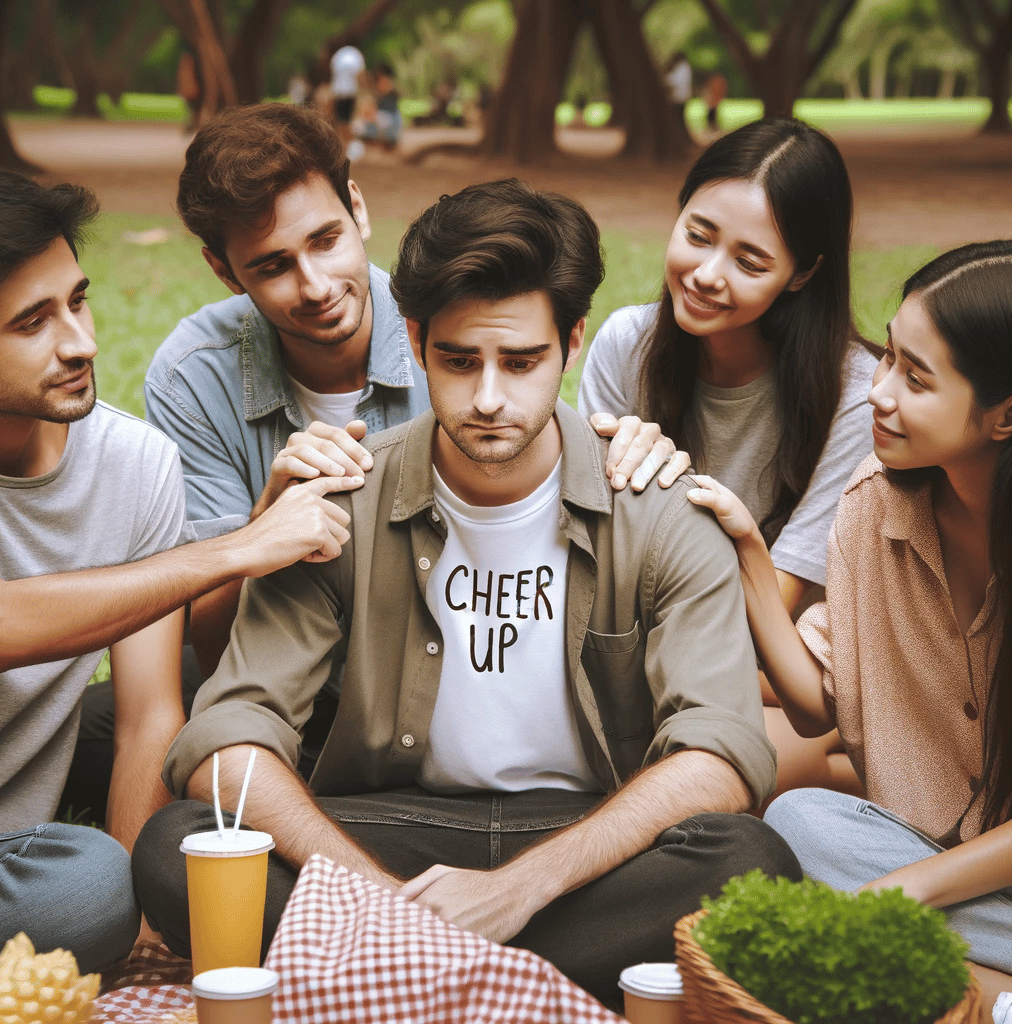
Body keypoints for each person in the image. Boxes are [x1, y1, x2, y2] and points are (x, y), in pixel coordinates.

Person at [134, 178, 800, 1003]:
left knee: (747, 860)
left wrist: (520, 889)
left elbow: (723, 755)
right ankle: (493, 973)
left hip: (585, 837)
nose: (489, 398)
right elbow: (230, 734)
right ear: (414, 341)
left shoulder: (661, 508)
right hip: (388, 833)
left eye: (521, 362)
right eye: (458, 360)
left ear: (575, 341)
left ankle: (389, 971)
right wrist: (369, 893)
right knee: (181, 844)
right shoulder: (340, 500)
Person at [145, 103, 680, 683]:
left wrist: (623, 455)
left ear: (357, 208)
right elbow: (212, 648)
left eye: (325, 241)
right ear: (225, 272)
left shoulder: (455, 318)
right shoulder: (191, 376)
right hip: (285, 680)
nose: (317, 286)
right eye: (274, 266)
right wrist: (259, 536)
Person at [0, 170, 349, 971]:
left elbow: (153, 712)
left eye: (76, 302)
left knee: (92, 887)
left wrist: (126, 913)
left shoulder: (134, 462)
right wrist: (234, 549)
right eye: (31, 323)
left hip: (7, 856)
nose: (81, 342)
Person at [688, 241, 1012, 1015]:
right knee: (798, 820)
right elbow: (813, 706)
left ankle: (956, 974)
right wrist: (748, 555)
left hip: (940, 877)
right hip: (924, 853)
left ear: (1004, 415)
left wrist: (903, 894)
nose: (880, 392)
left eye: (917, 378)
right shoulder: (874, 508)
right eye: (889, 357)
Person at [578, 117, 879, 804]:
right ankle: (854, 769)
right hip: (687, 667)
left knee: (665, 777)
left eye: (749, 262)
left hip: (788, 680)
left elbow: (774, 620)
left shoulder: (856, 395)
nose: (707, 276)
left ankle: (869, 763)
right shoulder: (628, 345)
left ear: (803, 273)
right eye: (697, 235)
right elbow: (596, 567)